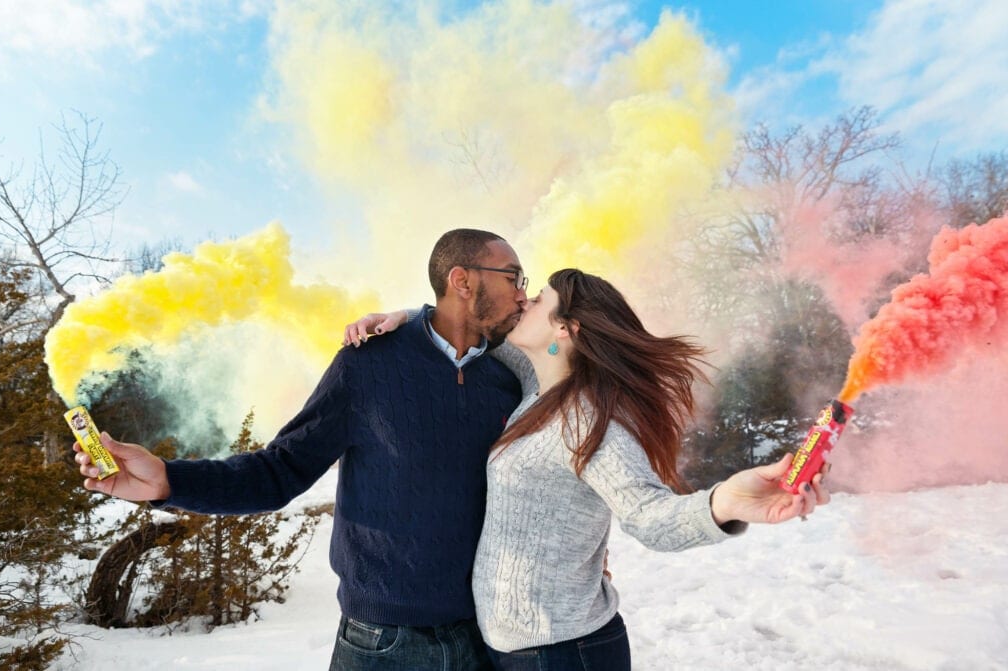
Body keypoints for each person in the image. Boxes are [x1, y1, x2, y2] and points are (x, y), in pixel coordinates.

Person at [74, 228, 531, 671]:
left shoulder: (508, 381)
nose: (522, 294)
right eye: (513, 276)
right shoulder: (370, 363)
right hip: (385, 643)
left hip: (484, 637)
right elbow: (280, 470)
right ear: (462, 279)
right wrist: (169, 480)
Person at [347, 268, 830, 671]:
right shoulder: (537, 384)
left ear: (565, 329)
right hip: (517, 648)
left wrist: (723, 502)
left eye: (537, 300)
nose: (523, 304)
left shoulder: (590, 422)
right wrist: (413, 320)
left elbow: (649, 516)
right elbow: (477, 336)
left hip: (562, 652)